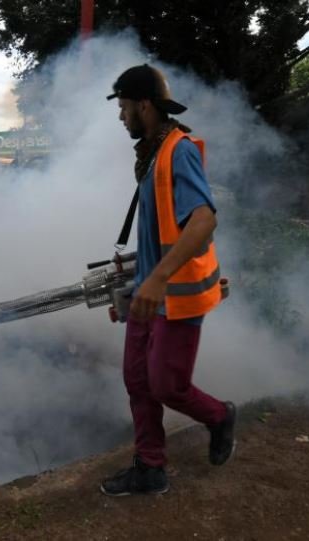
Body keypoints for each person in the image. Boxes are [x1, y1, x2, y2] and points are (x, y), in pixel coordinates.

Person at [100, 65, 236, 497]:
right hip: (148, 293)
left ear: (144, 106)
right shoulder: (154, 154)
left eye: (123, 108)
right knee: (137, 381)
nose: (121, 117)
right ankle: (150, 467)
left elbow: (203, 221)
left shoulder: (179, 151)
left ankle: (219, 416)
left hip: (174, 297)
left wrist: (158, 278)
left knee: (166, 386)